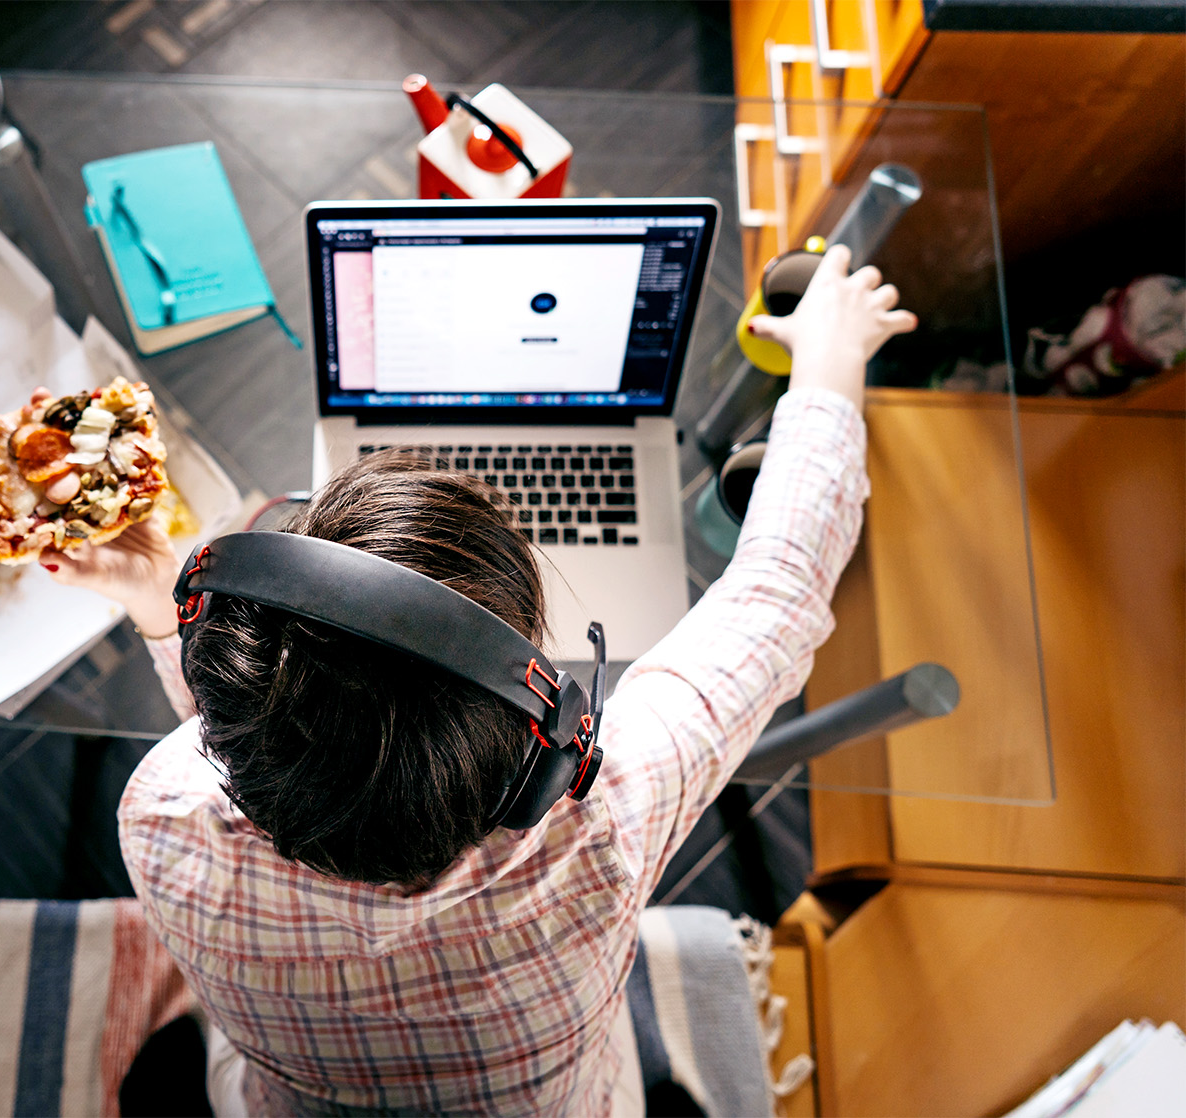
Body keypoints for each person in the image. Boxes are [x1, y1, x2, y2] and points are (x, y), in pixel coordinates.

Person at [44, 244, 916, 1116]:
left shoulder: (161, 821)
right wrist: (831, 358)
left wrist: (162, 610)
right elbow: (781, 590)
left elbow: (236, 747)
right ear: (550, 743)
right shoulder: (606, 824)